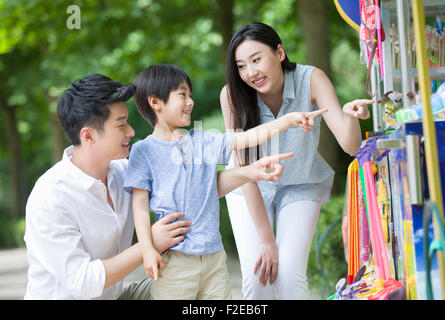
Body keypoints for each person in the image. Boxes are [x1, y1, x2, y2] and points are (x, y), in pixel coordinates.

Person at [125, 63, 326, 299]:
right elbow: (139, 206)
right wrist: (148, 249)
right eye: (182, 95)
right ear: (155, 102)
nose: (190, 102)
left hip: (214, 259)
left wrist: (289, 119)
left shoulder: (202, 142)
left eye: (190, 95)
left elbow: (248, 137)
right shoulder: (143, 151)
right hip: (175, 260)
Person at [220, 22, 374, 300]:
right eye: (242, 66)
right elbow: (244, 170)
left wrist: (350, 116)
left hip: (301, 182)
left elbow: (351, 145)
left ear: (279, 52)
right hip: (248, 187)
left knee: (289, 276)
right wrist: (267, 240)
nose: (251, 72)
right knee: (258, 281)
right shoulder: (233, 95)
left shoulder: (311, 79)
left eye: (257, 59)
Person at [23, 74, 192, 300]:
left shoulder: (124, 172)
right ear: (88, 135)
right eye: (121, 124)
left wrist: (246, 171)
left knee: (190, 279)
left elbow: (185, 184)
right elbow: (82, 282)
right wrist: (148, 243)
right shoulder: (51, 196)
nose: (131, 131)